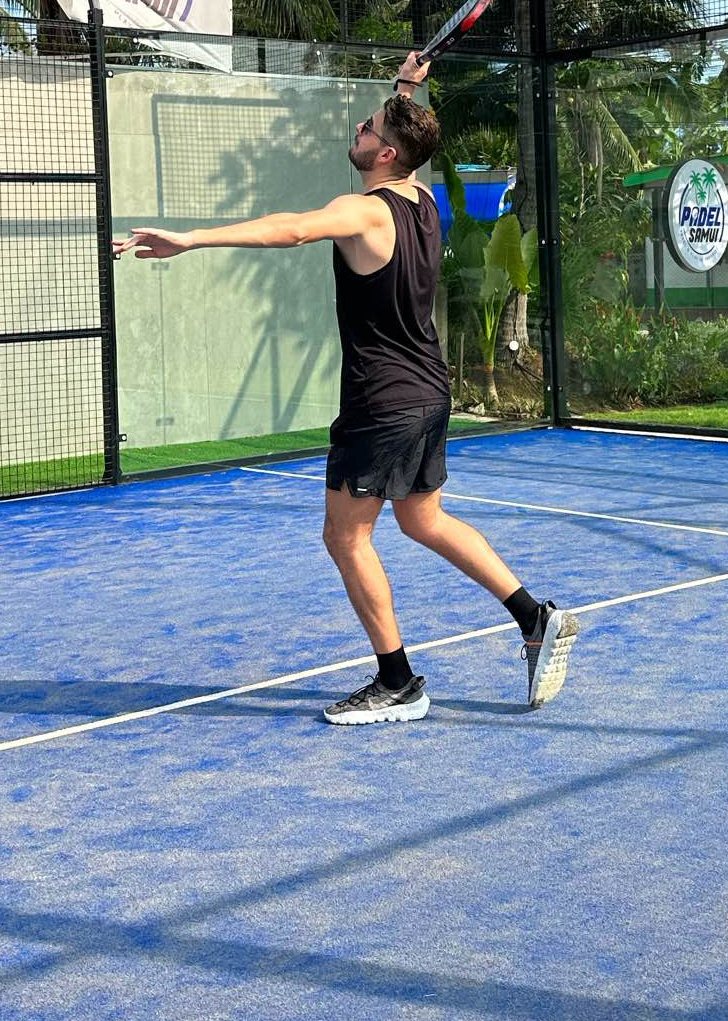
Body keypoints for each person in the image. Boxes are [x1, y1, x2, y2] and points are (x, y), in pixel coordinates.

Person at [113, 47, 578, 726]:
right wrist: (405, 90)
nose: (359, 130)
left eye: (369, 128)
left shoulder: (364, 212)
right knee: (423, 519)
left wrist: (191, 240)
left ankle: (398, 682)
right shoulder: (421, 198)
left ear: (386, 154)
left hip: (382, 402)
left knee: (345, 537)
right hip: (428, 391)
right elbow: (409, 140)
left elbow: (291, 230)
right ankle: (534, 616)